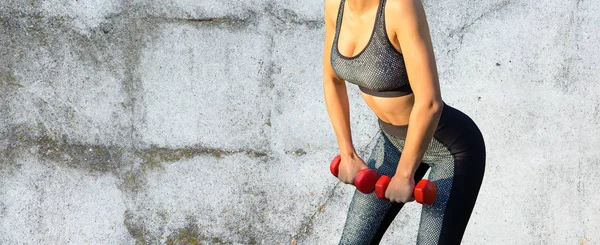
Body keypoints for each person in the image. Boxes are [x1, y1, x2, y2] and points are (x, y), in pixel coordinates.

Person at [322, 0, 486, 244]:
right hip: (392, 142)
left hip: (450, 149)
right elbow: (332, 80)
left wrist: (404, 174)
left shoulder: (400, 6)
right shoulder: (336, 5)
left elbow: (430, 102)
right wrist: (347, 153)